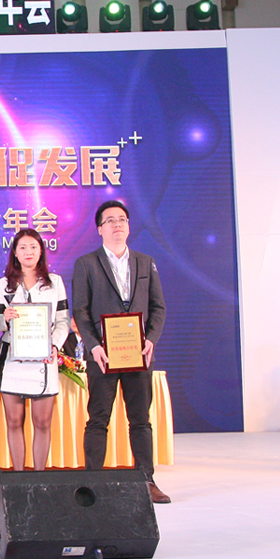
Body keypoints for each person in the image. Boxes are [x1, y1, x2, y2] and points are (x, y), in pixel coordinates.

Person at [71, 200, 170, 504]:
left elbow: (158, 308)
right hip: (102, 355)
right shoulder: (86, 264)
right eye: (110, 220)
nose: (117, 225)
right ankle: (93, 483)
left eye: (122, 219)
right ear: (99, 229)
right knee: (98, 419)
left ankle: (146, 480)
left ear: (128, 226)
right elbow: (81, 311)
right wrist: (94, 346)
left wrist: (150, 339)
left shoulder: (145, 262)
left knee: (140, 420)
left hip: (138, 354)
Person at [0, 228, 70, 471]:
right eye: (23, 247)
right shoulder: (4, 284)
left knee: (42, 422)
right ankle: (18, 477)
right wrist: (5, 318)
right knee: (14, 421)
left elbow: (63, 321)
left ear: (41, 251)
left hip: (44, 359)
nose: (29, 252)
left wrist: (54, 346)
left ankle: (39, 477)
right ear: (15, 253)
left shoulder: (55, 282)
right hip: (13, 360)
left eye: (34, 247)